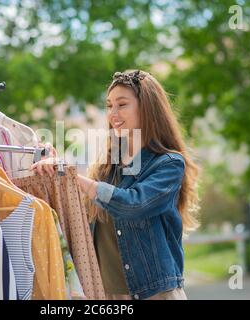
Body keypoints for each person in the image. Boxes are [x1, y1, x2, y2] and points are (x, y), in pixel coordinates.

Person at [31, 70, 200, 300]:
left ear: (147, 108)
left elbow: (133, 204)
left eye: (122, 104)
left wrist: (73, 178)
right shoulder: (107, 168)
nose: (113, 113)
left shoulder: (169, 164)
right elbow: (77, 214)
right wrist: (56, 168)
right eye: (109, 105)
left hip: (155, 294)